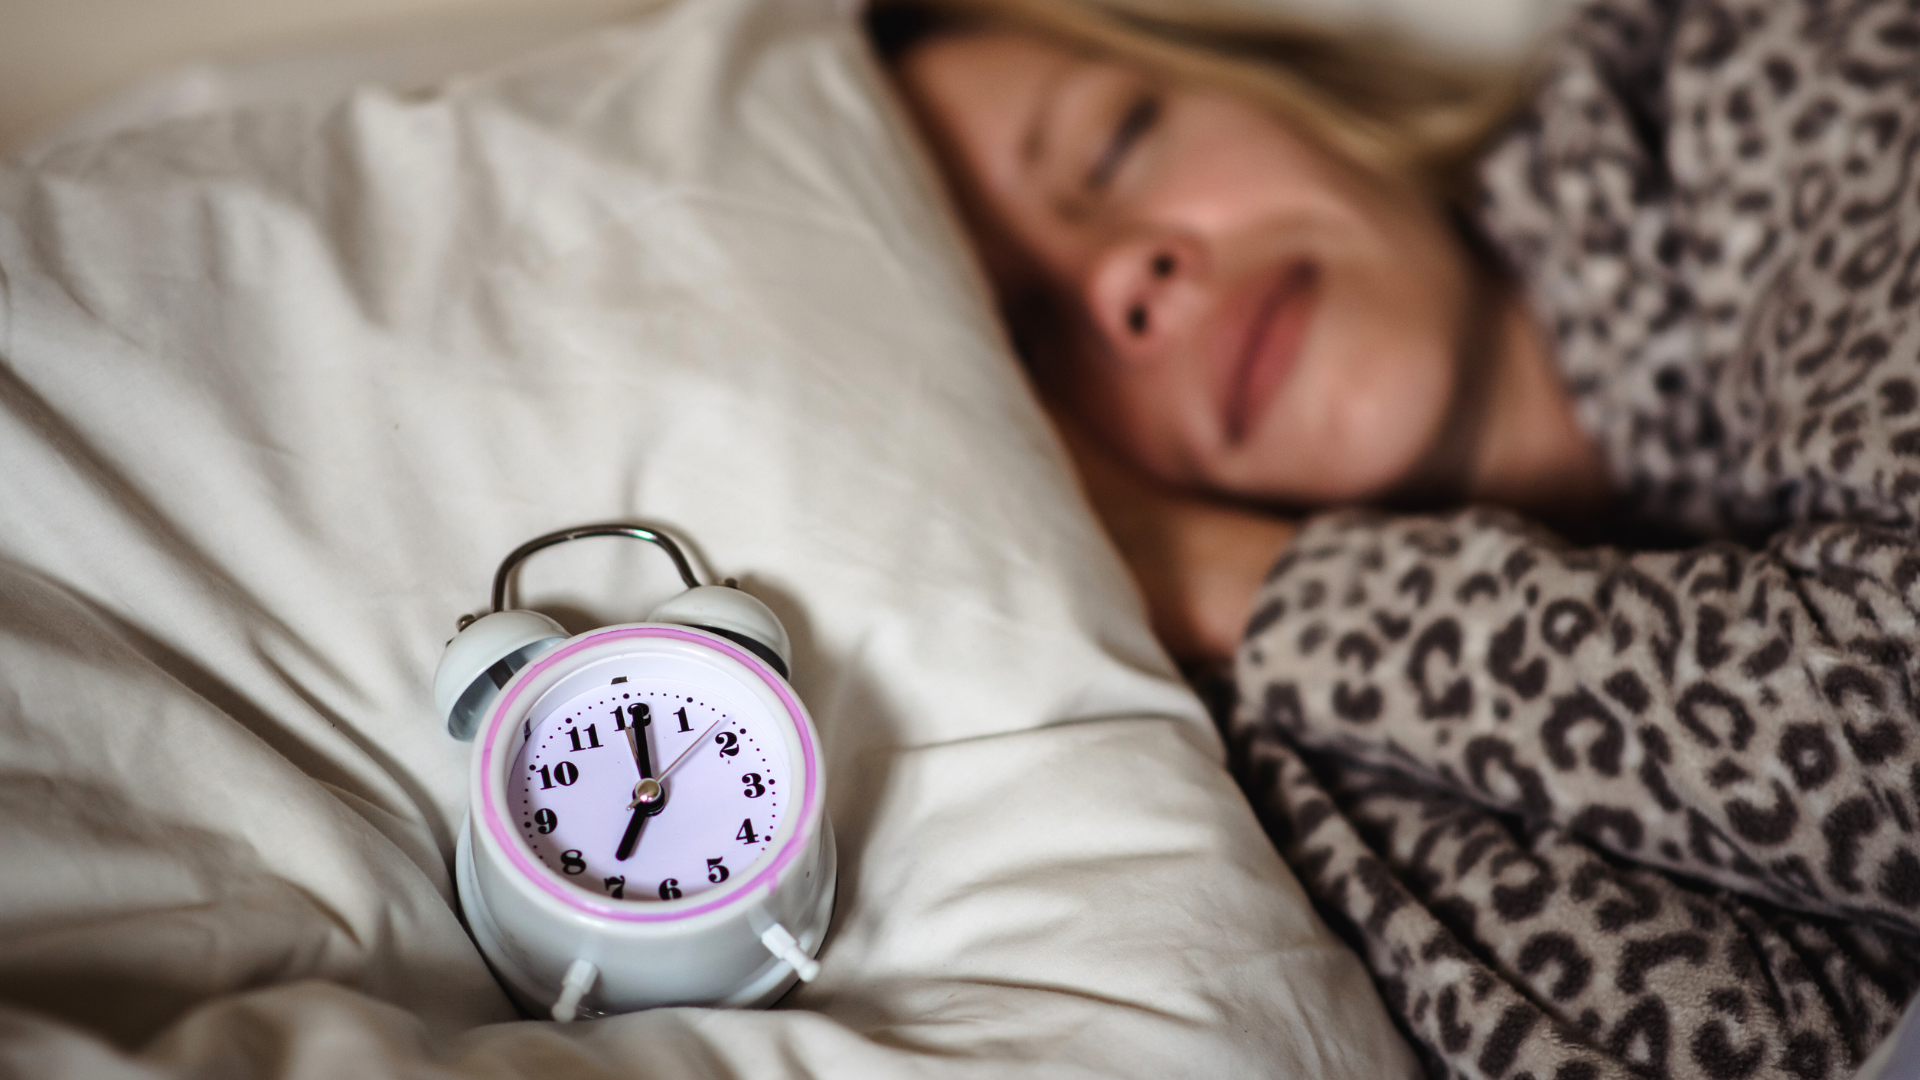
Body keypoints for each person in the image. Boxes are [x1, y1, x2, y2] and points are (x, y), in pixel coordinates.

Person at [866, 0, 1920, 1077]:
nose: (1119, 278)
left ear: (1280, 83)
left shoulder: (1757, 49)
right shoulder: (1281, 805)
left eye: (1115, 141)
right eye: (1029, 342)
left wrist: (1219, 573)